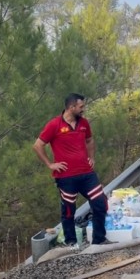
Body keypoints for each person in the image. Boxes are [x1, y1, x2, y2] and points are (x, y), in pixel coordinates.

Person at [33, 93, 109, 248]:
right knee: (68, 211)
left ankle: (99, 240)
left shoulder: (84, 123)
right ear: (71, 107)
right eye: (81, 107)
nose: (83, 109)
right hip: (66, 177)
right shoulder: (54, 125)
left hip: (87, 174)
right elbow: (38, 145)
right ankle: (71, 242)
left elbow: (90, 140)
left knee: (100, 203)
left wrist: (92, 157)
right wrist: (50, 164)